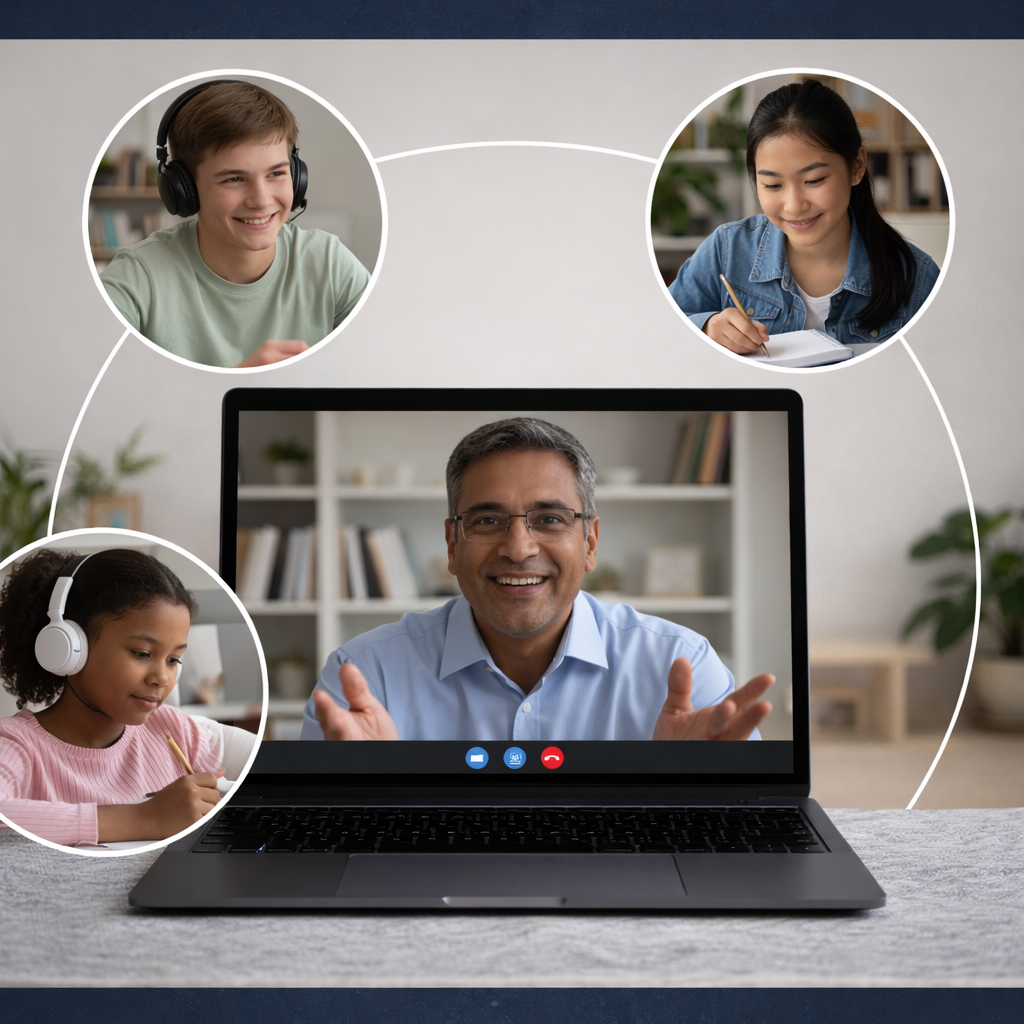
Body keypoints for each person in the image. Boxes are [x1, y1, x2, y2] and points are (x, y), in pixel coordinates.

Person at [303, 418, 774, 742]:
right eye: (487, 521)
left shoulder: (682, 665)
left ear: (590, 542)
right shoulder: (364, 675)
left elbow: (753, 841)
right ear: (452, 543)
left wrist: (698, 792)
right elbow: (311, 851)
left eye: (549, 519)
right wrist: (367, 791)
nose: (518, 548)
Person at [100, 81, 370, 368]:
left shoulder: (328, 261)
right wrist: (235, 387)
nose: (261, 200)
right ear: (184, 190)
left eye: (276, 173)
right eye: (234, 179)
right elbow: (87, 395)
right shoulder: (136, 277)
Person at [668, 78, 940, 354]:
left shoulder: (917, 276)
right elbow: (656, 331)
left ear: (857, 166)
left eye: (814, 180)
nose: (794, 206)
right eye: (773, 185)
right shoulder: (726, 250)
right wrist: (706, 327)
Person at [0, 548, 234, 847]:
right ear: (69, 647)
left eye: (174, 660)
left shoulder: (172, 730)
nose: (162, 678)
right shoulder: (18, 746)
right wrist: (144, 819)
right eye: (142, 653)